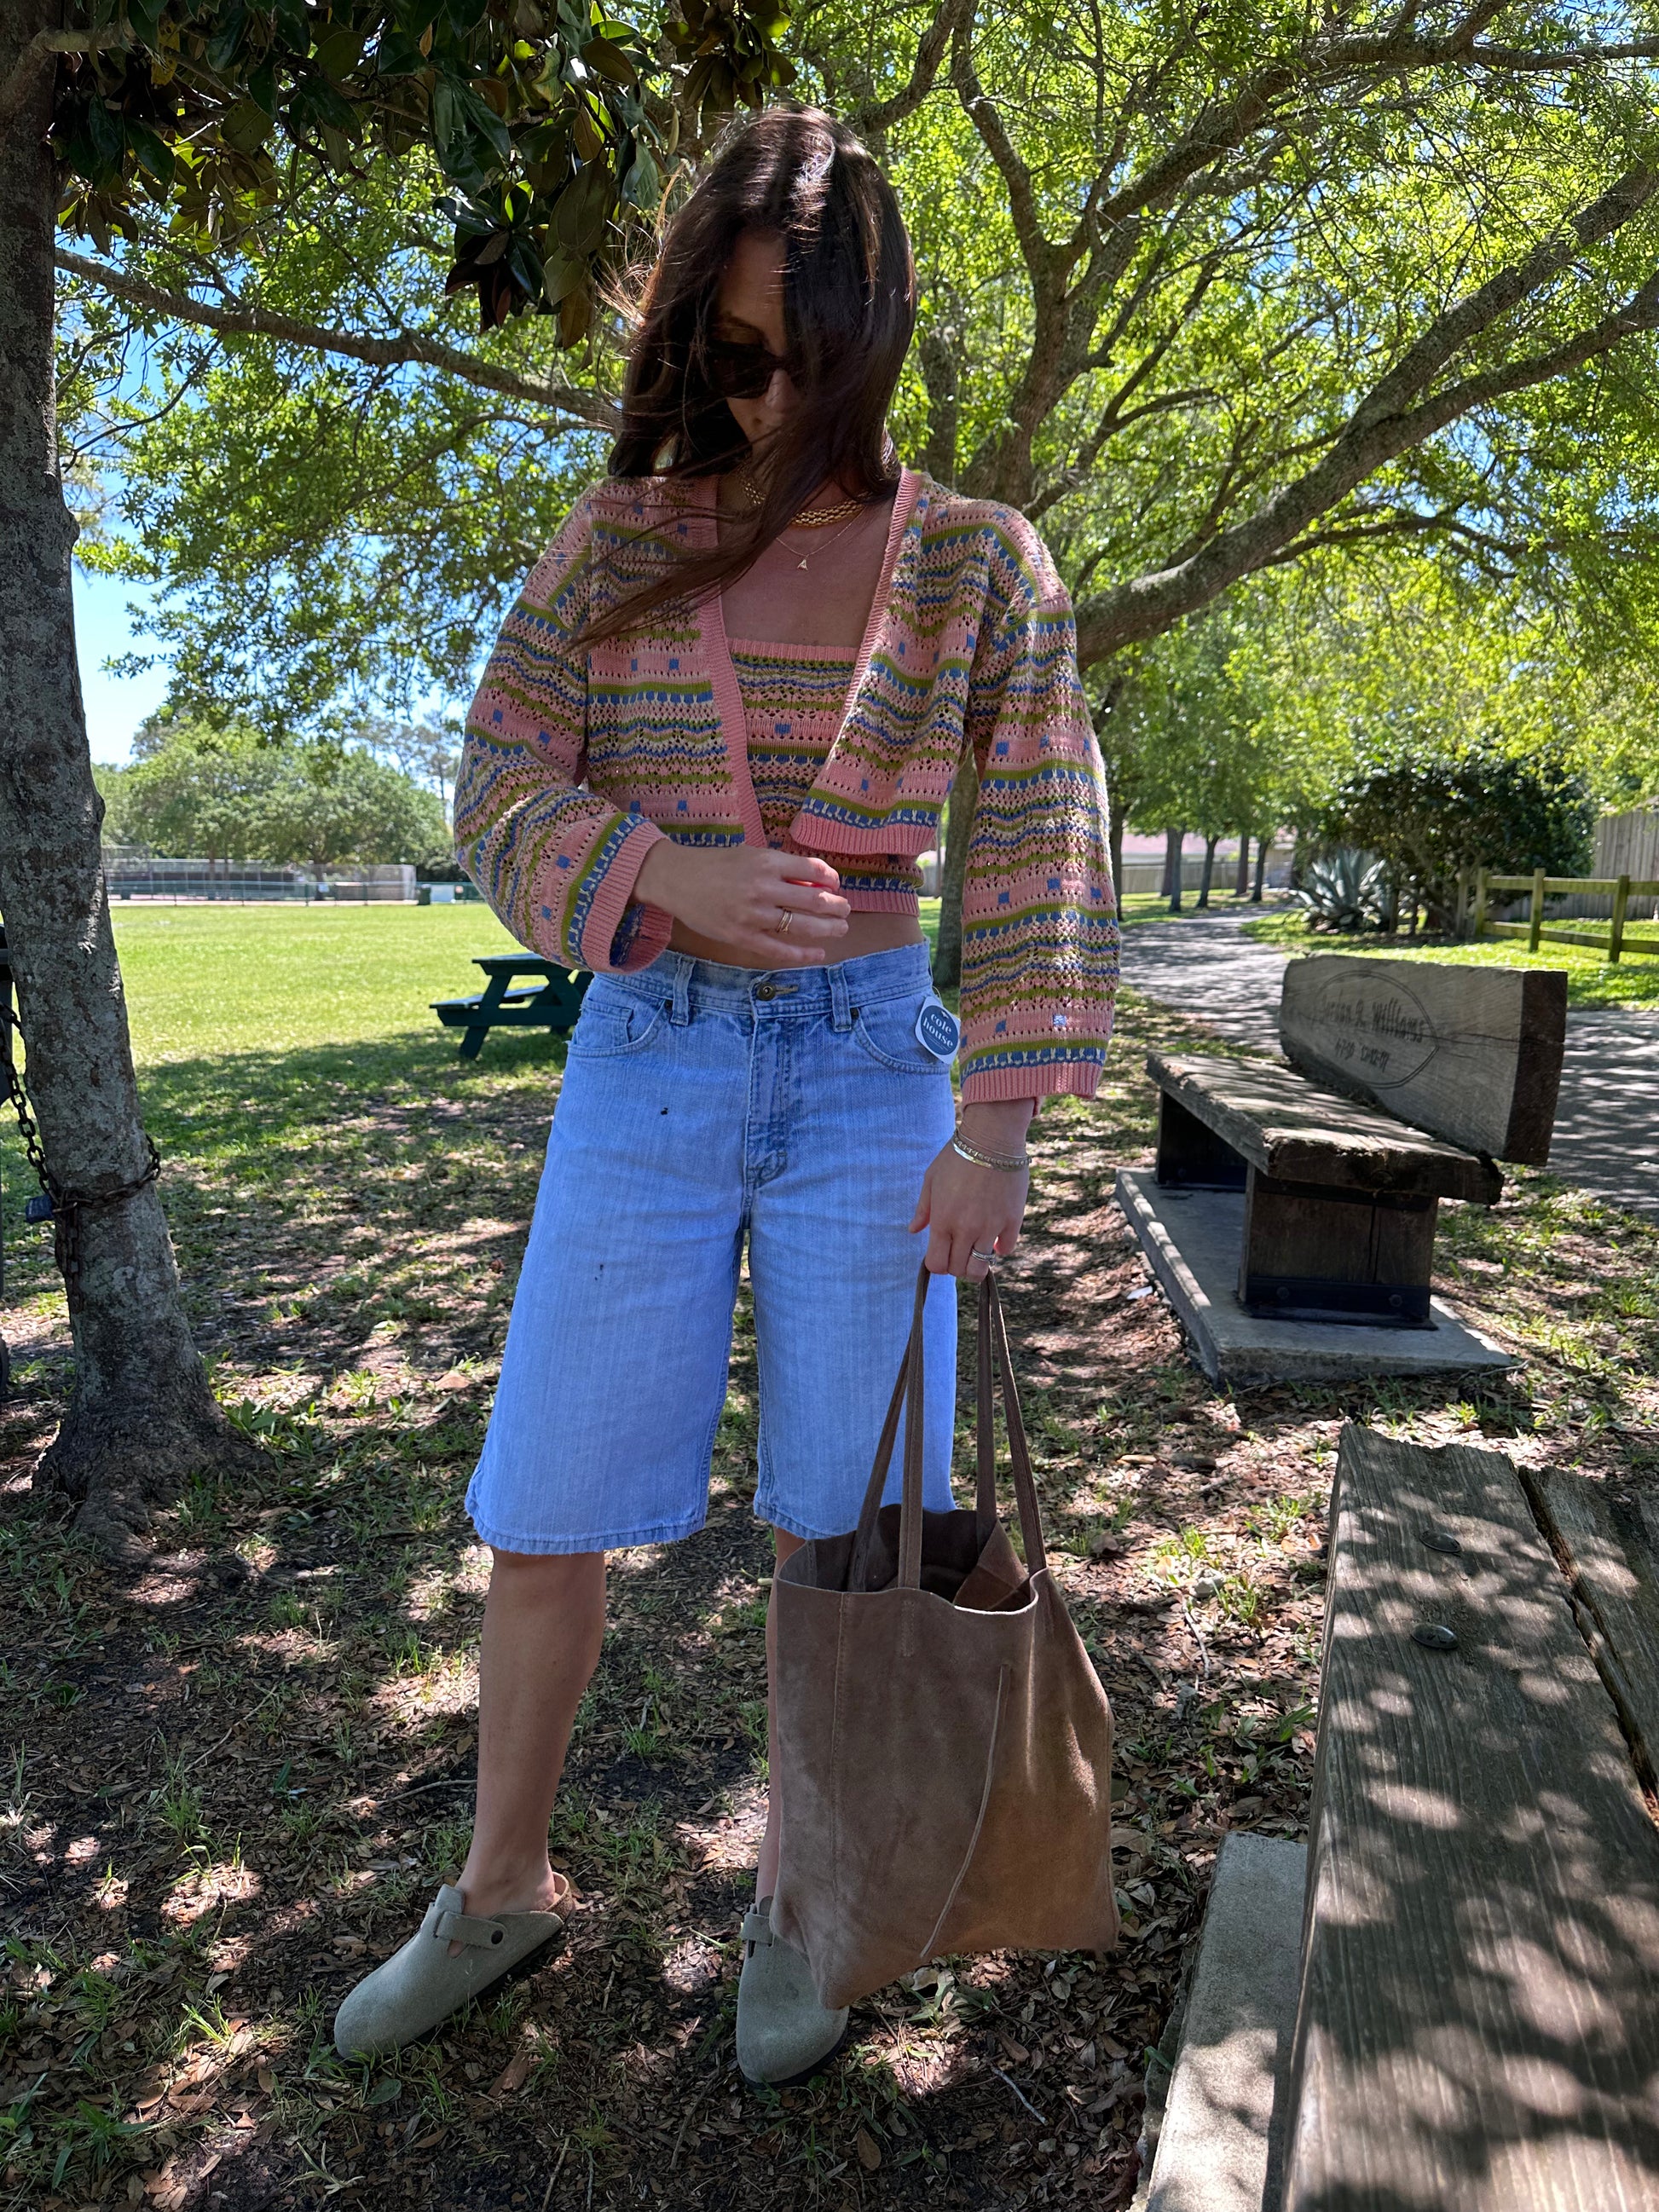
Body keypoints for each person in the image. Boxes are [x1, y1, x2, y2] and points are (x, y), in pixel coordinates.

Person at [334, 103, 1118, 2083]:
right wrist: (659, 880)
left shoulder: (975, 564)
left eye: (780, 354)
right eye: (716, 349)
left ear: (865, 338)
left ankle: (811, 1903)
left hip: (876, 1080)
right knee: (546, 1501)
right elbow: (496, 784)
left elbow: (1037, 846)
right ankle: (498, 1884)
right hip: (648, 1065)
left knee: (846, 1527)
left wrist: (996, 1130)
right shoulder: (618, 538)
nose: (745, 390)